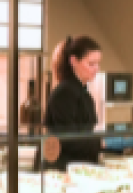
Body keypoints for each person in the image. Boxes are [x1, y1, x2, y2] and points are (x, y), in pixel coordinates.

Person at [42, 35, 102, 169]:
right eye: (91, 64)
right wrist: (102, 143)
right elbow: (69, 139)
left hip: (77, 166)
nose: (96, 68)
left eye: (98, 64)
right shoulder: (64, 93)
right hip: (61, 169)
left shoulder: (83, 92)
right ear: (74, 61)